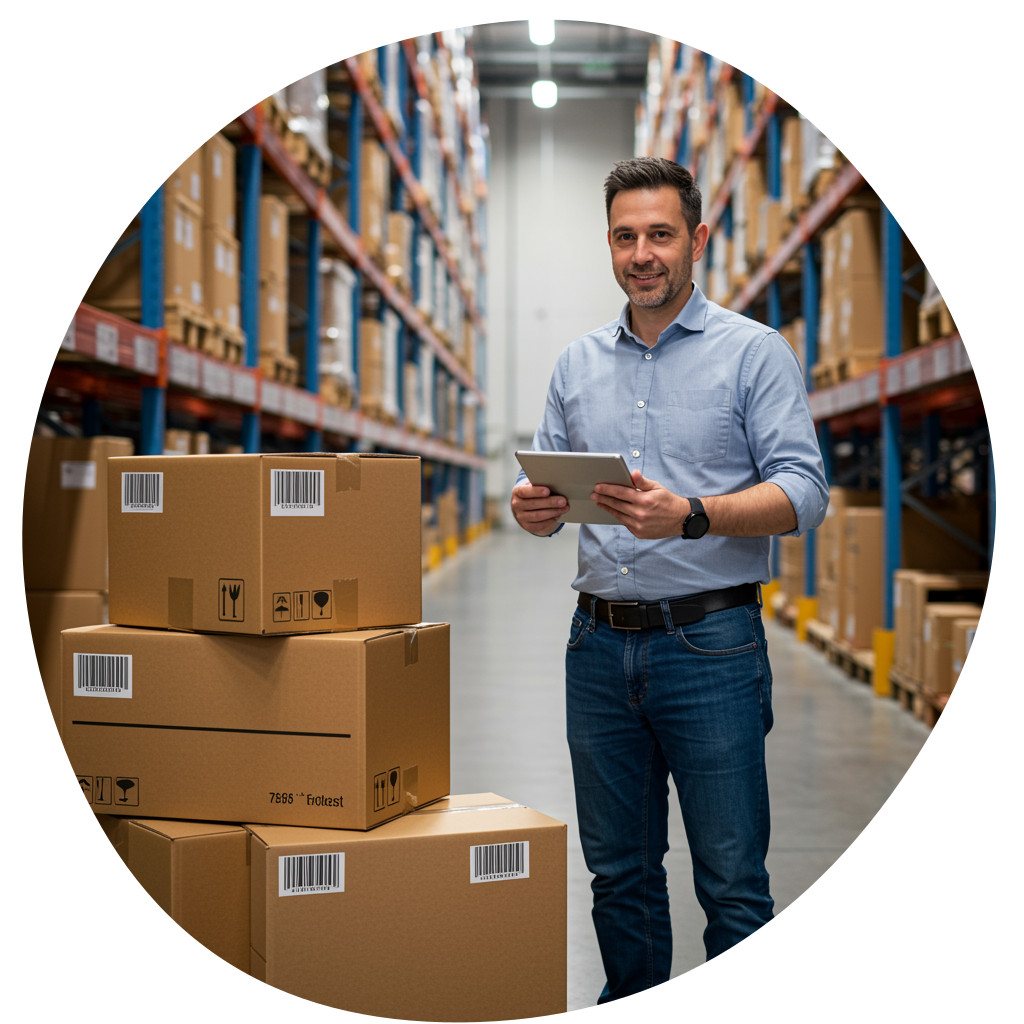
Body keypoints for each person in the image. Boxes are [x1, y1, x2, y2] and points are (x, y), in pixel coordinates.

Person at [511, 156, 829, 1003]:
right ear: (607, 245)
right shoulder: (576, 365)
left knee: (730, 880)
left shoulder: (753, 353)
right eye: (624, 237)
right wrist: (536, 509)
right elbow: (551, 483)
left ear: (696, 240)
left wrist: (695, 513)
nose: (641, 253)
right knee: (617, 874)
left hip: (711, 645)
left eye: (659, 235)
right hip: (596, 644)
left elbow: (804, 492)